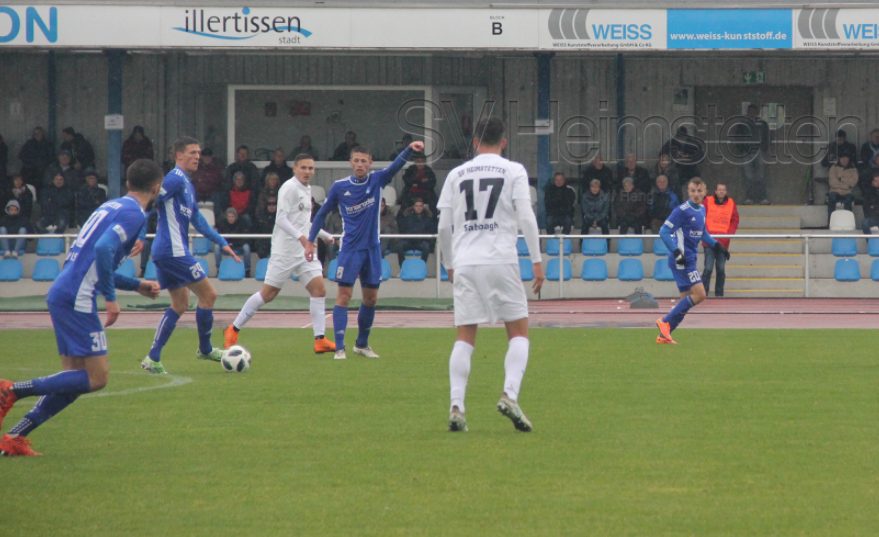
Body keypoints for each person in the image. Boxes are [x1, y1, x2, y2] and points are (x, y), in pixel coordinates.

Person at [0, 159, 163, 456]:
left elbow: (94, 264)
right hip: (77, 297)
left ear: (128, 183)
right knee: (97, 378)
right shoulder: (133, 214)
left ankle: (14, 436)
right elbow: (102, 250)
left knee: (74, 380)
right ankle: (12, 390)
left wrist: (136, 285)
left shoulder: (110, 207)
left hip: (65, 291)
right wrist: (111, 297)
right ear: (156, 187)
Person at [436, 117, 545, 433]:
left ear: (474, 142)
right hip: (500, 259)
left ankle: (457, 407)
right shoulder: (513, 170)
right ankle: (509, 394)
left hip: (466, 261)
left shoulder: (456, 174)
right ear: (504, 142)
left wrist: (449, 264)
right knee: (519, 332)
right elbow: (526, 216)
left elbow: (443, 227)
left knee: (465, 336)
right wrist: (537, 260)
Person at [306, 140, 423, 359]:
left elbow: (395, 167)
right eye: (356, 160)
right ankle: (339, 348)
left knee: (371, 299)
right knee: (344, 296)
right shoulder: (340, 187)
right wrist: (310, 240)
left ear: (370, 163)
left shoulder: (376, 180)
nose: (360, 164)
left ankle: (361, 344)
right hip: (350, 249)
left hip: (372, 249)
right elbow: (321, 214)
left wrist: (409, 150)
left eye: (364, 161)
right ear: (350, 162)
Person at [140, 137, 241, 374]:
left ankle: (153, 358)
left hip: (167, 252)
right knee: (209, 295)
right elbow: (149, 202)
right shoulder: (174, 179)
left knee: (180, 304)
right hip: (173, 251)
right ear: (178, 156)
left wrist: (221, 242)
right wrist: (139, 235)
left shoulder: (186, 183)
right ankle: (205, 349)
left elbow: (198, 220)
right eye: (192, 152)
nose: (197, 157)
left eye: (198, 153)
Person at [225, 154, 337, 353]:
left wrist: (324, 235)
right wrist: (302, 238)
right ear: (295, 169)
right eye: (303, 167)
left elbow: (304, 222)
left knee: (319, 290)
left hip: (304, 252)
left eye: (310, 168)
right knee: (268, 294)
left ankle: (319, 339)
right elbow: (281, 220)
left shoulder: (307, 189)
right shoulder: (289, 188)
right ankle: (233, 328)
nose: (307, 171)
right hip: (284, 251)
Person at [656, 178, 729, 344]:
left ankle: (664, 335)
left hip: (689, 258)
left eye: (699, 191)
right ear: (688, 192)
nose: (696, 194)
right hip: (682, 260)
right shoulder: (682, 210)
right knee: (701, 294)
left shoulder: (702, 209)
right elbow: (664, 231)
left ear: (705, 192)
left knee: (685, 301)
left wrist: (717, 245)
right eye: (693, 191)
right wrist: (676, 251)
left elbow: (703, 233)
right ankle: (665, 321)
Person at [701, 182, 739, 297]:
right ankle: (703, 293)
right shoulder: (707, 201)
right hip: (709, 241)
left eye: (723, 190)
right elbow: (701, 217)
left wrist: (729, 234)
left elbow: (735, 220)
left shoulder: (731, 203)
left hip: (723, 241)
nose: (721, 192)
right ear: (716, 191)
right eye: (719, 189)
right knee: (708, 268)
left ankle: (719, 295)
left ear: (726, 192)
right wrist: (706, 233)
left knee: (721, 269)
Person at [737, 104, 770, 205]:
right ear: (747, 112)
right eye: (750, 111)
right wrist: (742, 149)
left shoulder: (762, 124)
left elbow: (767, 137)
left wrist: (764, 148)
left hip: (759, 151)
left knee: (761, 175)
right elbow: (737, 137)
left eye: (753, 111)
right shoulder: (742, 124)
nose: (752, 114)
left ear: (757, 113)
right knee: (748, 176)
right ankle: (749, 197)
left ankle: (762, 197)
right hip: (747, 152)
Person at [396, 198, 436, 264]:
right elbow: (403, 229)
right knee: (399, 246)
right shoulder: (407, 217)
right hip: (409, 241)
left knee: (426, 247)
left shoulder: (428, 218)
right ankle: (402, 266)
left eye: (420, 206)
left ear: (423, 207)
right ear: (413, 207)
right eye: (416, 206)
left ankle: (422, 265)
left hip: (421, 241)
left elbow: (430, 231)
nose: (418, 208)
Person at [214, 207, 252, 276]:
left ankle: (247, 270)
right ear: (226, 217)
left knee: (246, 247)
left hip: (238, 246)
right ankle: (219, 269)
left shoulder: (241, 224)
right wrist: (227, 244)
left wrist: (234, 244)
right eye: (229, 216)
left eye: (232, 216)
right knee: (216, 247)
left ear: (236, 217)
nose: (231, 218)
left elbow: (244, 238)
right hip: (226, 246)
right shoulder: (222, 224)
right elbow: (220, 238)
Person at [827, 153, 858, 221]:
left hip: (847, 192)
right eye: (842, 158)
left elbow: (853, 182)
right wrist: (846, 185)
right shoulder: (833, 168)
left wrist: (841, 180)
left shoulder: (853, 169)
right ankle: (830, 221)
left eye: (846, 158)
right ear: (839, 159)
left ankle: (848, 221)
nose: (844, 160)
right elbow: (832, 183)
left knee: (848, 201)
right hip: (834, 191)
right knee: (832, 198)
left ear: (849, 159)